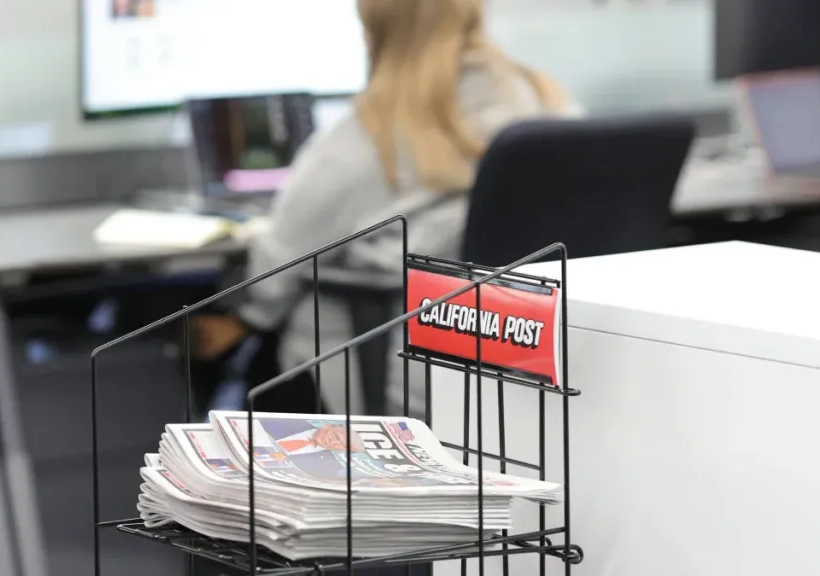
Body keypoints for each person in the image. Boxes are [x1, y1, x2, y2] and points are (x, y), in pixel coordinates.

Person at [196, 0, 579, 418]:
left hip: (392, 382)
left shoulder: (370, 134)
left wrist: (247, 315)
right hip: (526, 372)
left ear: (374, 31)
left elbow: (280, 262)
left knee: (235, 348)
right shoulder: (549, 103)